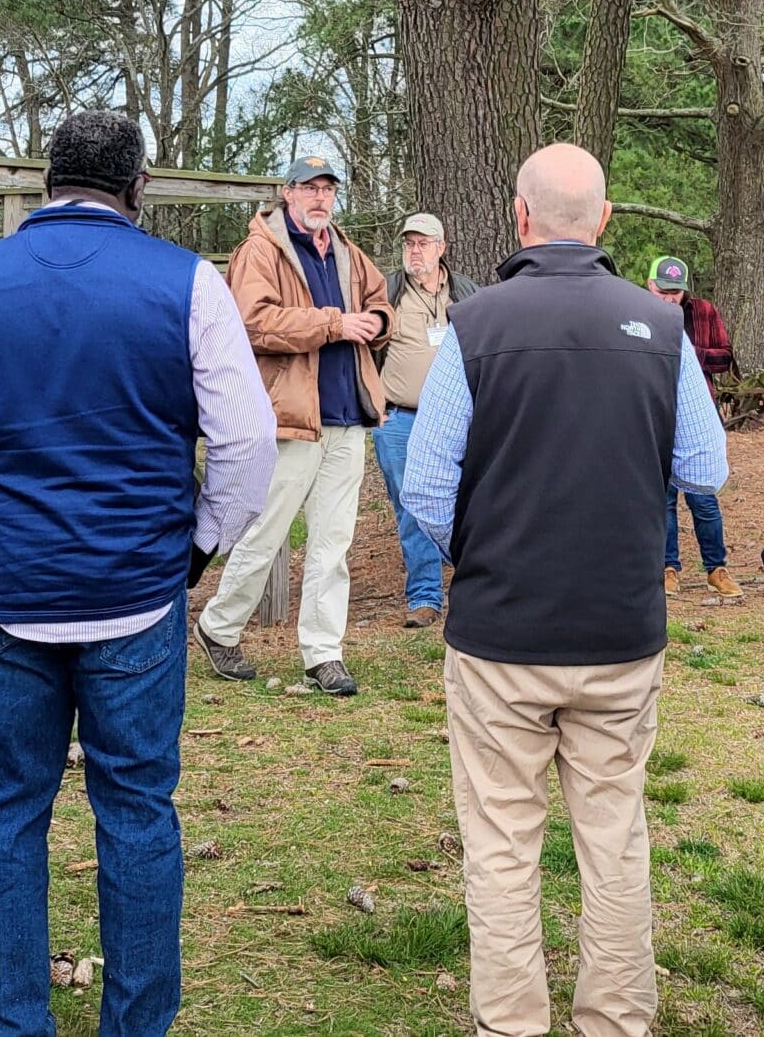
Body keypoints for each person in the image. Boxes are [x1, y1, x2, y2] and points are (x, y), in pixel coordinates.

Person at [0, 111, 277, 1037]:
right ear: (136, 187)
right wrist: (198, 544)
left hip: (6, 589)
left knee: (6, 816)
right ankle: (135, 1024)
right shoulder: (188, 282)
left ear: (48, 178)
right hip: (133, 589)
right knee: (137, 808)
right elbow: (248, 438)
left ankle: (15, 1025)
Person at [399, 143, 728, 1037]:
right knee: (613, 838)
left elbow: (426, 485)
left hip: (503, 629)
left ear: (519, 217)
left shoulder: (474, 324)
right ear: (606, 220)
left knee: (503, 845)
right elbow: (705, 464)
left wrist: (483, 551)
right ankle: (615, 1019)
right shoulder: (660, 328)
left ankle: (510, 1023)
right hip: (618, 626)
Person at [195, 154, 393, 696]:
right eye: (309, 188)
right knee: (264, 534)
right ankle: (218, 626)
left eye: (328, 189)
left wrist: (376, 321)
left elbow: (380, 304)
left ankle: (323, 655)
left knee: (334, 544)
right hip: (290, 418)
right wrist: (334, 324)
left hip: (348, 417)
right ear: (287, 193)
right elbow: (252, 322)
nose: (320, 199)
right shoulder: (260, 249)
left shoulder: (349, 252)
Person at [372, 211, 478, 628]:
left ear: (441, 248)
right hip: (399, 419)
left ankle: (472, 590)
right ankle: (425, 596)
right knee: (411, 507)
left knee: (469, 503)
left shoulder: (467, 293)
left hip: (457, 421)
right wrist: (371, 403)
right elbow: (365, 348)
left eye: (422, 243)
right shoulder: (387, 292)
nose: (414, 252)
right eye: (408, 244)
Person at [646, 256, 738, 597]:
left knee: (703, 496)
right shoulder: (637, 311)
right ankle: (668, 568)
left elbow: (724, 358)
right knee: (664, 496)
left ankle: (717, 567)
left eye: (677, 292)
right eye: (664, 291)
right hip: (656, 411)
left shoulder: (705, 312)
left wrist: (683, 353)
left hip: (699, 412)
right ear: (650, 285)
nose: (671, 298)